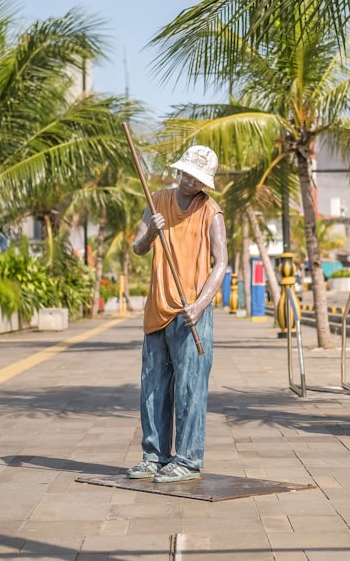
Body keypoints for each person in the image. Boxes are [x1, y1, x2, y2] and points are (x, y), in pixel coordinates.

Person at [127, 145, 227, 484]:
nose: (188, 181)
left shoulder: (211, 212)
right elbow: (139, 247)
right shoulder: (157, 201)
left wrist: (200, 304)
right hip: (158, 307)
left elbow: (221, 262)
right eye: (185, 173)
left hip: (190, 314)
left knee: (190, 387)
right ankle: (153, 455)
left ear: (204, 183)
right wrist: (152, 231)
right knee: (152, 386)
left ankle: (187, 459)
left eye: (196, 178)